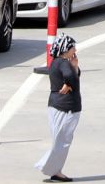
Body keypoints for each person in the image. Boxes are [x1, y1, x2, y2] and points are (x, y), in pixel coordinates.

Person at [38, 34, 80, 183]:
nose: (75, 49)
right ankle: (52, 169)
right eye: (73, 47)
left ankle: (55, 169)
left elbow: (72, 75)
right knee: (62, 140)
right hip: (65, 107)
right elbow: (70, 76)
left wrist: (74, 67)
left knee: (61, 139)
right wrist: (69, 82)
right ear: (66, 49)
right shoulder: (63, 63)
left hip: (58, 105)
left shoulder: (57, 62)